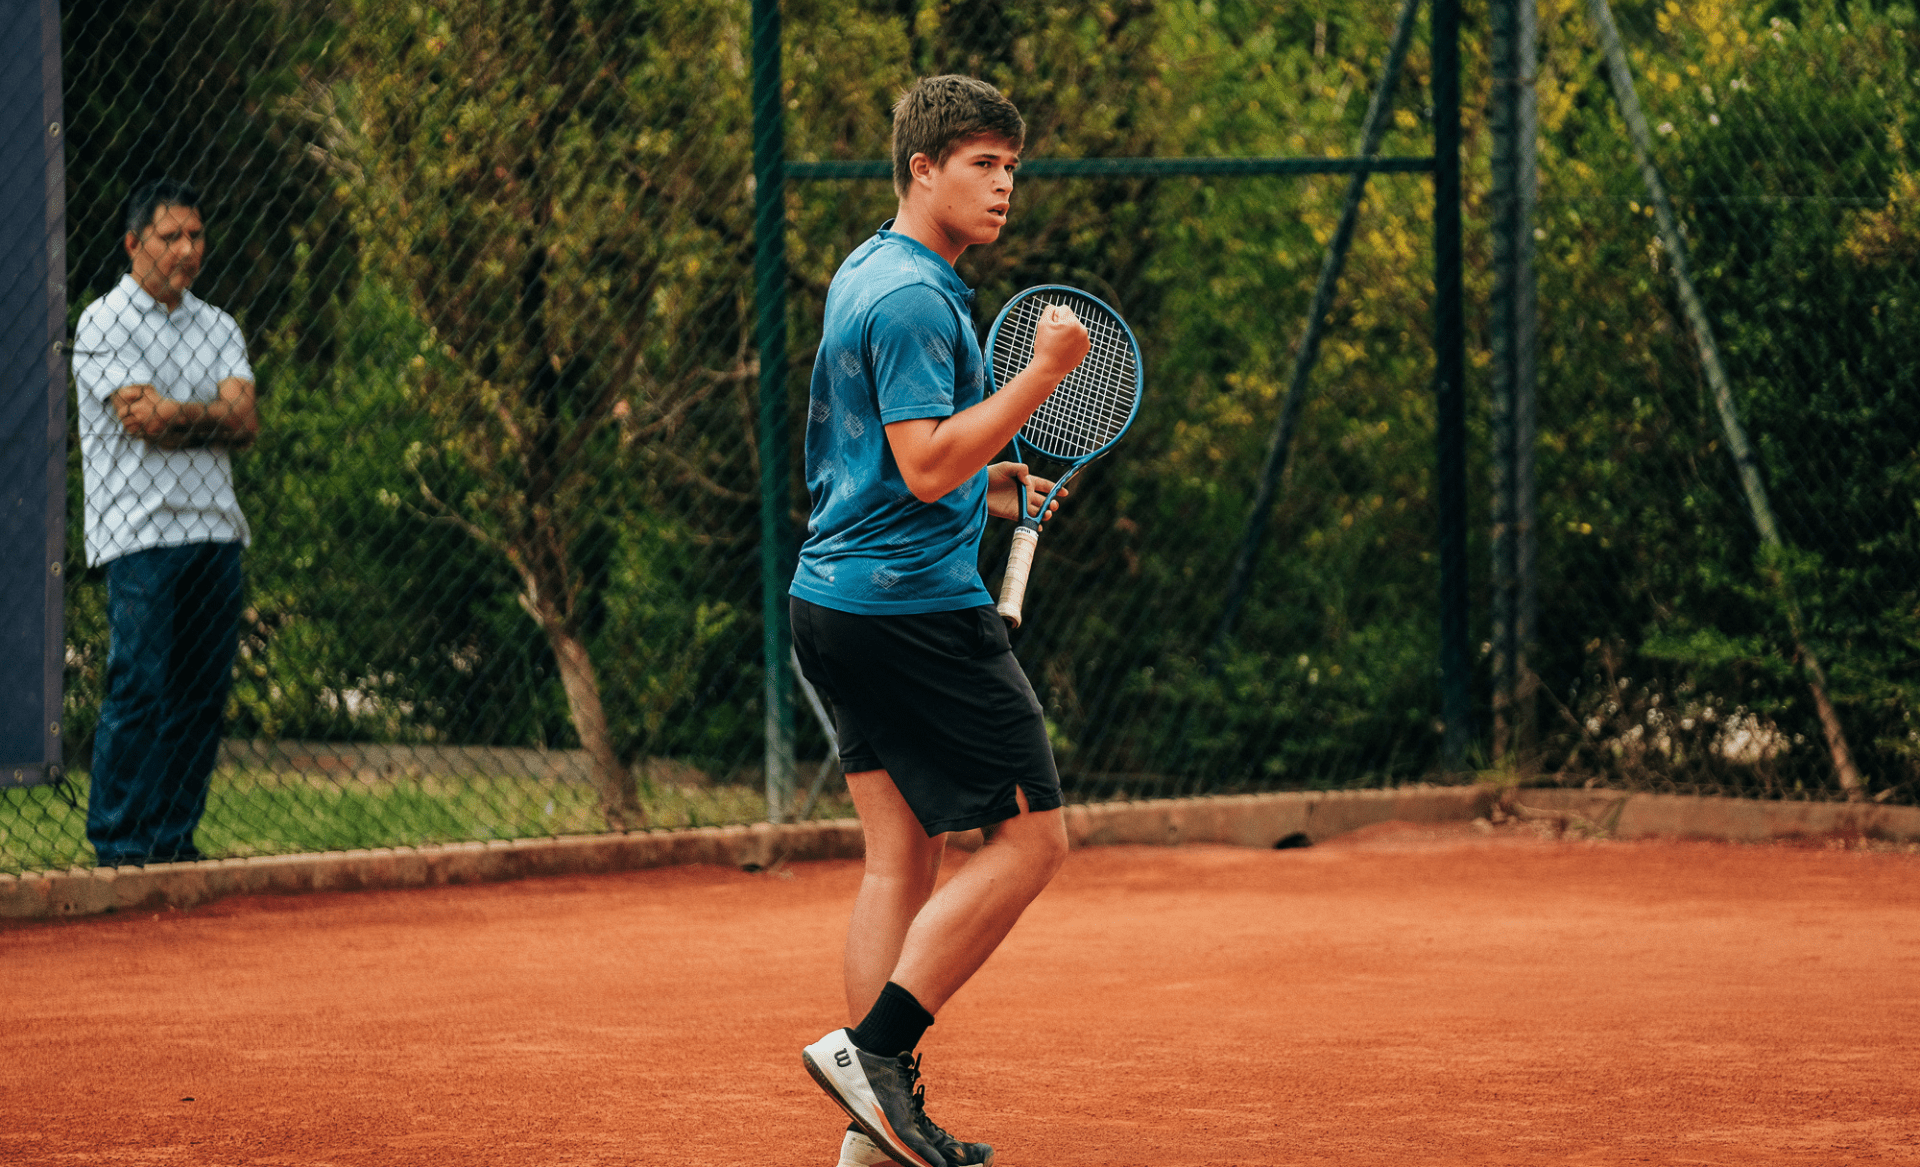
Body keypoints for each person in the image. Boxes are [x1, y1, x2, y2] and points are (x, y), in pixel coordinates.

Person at [789, 76, 1091, 1167]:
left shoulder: (870, 266)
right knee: (1031, 838)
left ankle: (875, 1128)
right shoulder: (921, 298)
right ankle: (875, 1055)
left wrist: (992, 481)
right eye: (981, 164)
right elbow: (921, 466)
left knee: (898, 860)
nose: (1004, 185)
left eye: (1011, 166)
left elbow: (901, 455)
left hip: (834, 601)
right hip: (914, 612)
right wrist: (1045, 379)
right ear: (922, 168)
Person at [72, 178, 259, 867]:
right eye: (171, 236)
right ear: (133, 244)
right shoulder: (102, 322)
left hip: (216, 533)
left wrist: (180, 413)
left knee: (199, 699)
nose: (187, 249)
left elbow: (244, 421)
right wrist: (205, 412)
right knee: (139, 689)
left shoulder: (218, 324)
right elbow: (140, 422)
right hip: (142, 535)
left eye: (196, 235)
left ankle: (171, 840)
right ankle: (118, 846)